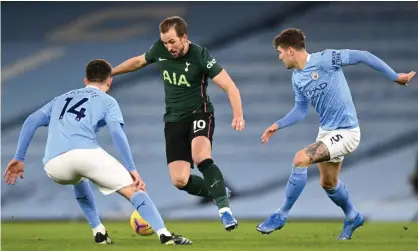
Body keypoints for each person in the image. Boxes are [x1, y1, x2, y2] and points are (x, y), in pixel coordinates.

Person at [3, 59, 192, 245]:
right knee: (134, 190)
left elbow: (31, 121)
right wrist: (132, 169)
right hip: (85, 154)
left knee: (78, 178)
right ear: (109, 81)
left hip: (54, 164)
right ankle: (165, 235)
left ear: (85, 80)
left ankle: (98, 231)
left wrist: (19, 157)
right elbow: (117, 133)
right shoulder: (108, 101)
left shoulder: (60, 99)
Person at [256, 28, 415, 240]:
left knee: (300, 158)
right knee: (328, 183)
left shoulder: (326, 59)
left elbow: (363, 56)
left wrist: (395, 77)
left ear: (291, 50)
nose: (279, 57)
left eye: (280, 52)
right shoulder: (297, 78)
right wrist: (278, 124)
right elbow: (301, 110)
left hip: (347, 132)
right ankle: (353, 216)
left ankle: (280, 215)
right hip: (327, 132)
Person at [111, 16, 244, 231]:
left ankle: (224, 210)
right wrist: (112, 72)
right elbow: (138, 61)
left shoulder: (200, 55)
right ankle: (219, 191)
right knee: (180, 180)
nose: (168, 47)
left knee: (201, 156)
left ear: (184, 38)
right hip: (173, 119)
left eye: (172, 41)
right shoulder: (159, 50)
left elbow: (230, 87)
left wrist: (238, 115)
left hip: (199, 113)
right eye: (164, 42)